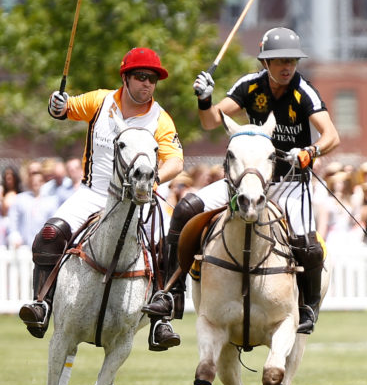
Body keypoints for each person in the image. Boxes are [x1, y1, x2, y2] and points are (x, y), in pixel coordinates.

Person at [141, 27, 339, 337]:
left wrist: (310, 151)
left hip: (288, 180)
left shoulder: (304, 91)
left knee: (306, 244)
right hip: (244, 180)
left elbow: (332, 136)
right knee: (185, 210)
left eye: (291, 60)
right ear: (265, 63)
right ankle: (170, 293)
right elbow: (209, 122)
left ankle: (307, 308)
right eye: (279, 61)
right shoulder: (249, 86)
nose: (287, 67)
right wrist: (204, 99)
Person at [18, 47, 185, 349]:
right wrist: (56, 104)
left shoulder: (161, 119)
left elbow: (176, 160)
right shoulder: (100, 101)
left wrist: (154, 179)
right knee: (49, 234)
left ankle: (162, 319)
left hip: (139, 200)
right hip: (93, 193)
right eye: (141, 77)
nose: (147, 84)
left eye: (153, 79)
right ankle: (42, 304)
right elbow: (65, 108)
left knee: (170, 242)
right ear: (125, 77)